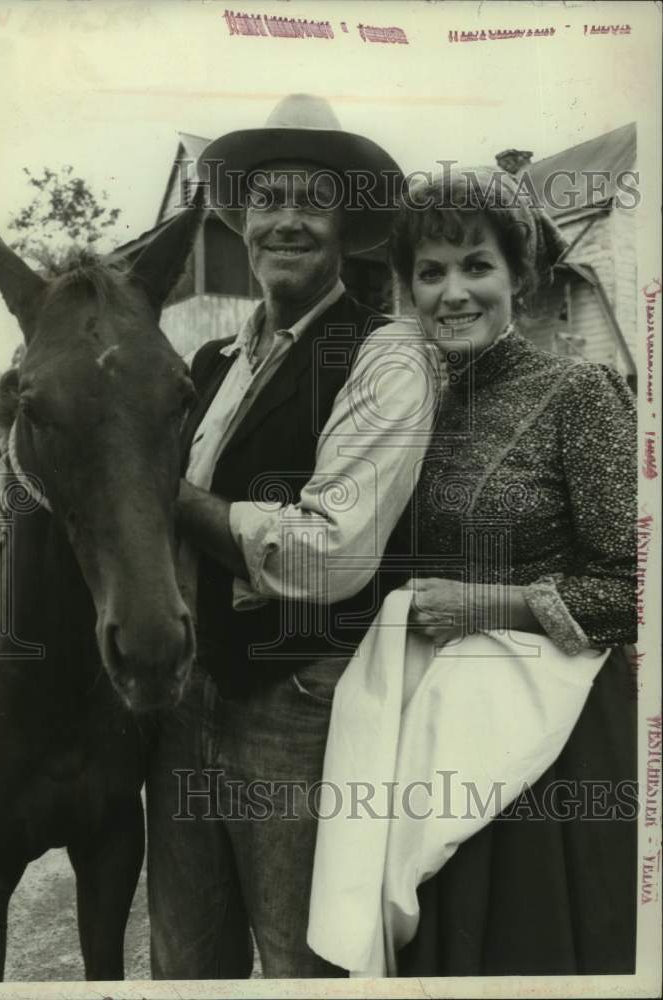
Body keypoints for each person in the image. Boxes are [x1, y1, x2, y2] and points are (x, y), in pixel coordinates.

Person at [145, 94, 438, 979]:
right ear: (245, 222)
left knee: (300, 960)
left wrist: (166, 492)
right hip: (189, 697)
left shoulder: (387, 353)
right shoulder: (212, 363)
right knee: (187, 956)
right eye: (267, 199)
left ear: (346, 222)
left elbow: (327, 552)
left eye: (311, 200)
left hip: (297, 705)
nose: (285, 220)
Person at [386, 167, 637, 975]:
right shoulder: (408, 409)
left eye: (476, 266)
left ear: (520, 278)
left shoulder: (580, 394)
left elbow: (635, 587)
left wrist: (488, 606)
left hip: (549, 748)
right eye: (431, 272)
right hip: (428, 737)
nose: (453, 292)